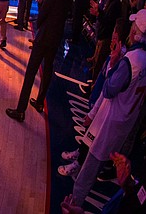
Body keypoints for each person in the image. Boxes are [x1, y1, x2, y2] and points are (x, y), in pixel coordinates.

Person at [65, 11, 146, 209]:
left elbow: (109, 90)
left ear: (137, 33)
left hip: (110, 121)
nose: (130, 29)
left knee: (89, 169)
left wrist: (112, 64)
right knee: (99, 163)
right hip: (125, 122)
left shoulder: (131, 61)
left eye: (133, 27)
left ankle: (74, 204)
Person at [6, 0, 75, 121]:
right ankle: (39, 101)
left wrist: (40, 25)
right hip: (57, 34)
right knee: (48, 67)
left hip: (46, 33)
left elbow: (44, 9)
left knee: (31, 71)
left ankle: (20, 109)